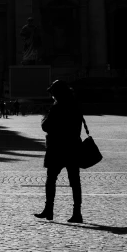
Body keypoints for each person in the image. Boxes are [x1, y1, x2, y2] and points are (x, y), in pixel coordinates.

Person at [34, 79, 83, 223]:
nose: (52, 96)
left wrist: (44, 119)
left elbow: (46, 126)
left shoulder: (57, 107)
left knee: (51, 179)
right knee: (75, 182)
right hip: (73, 147)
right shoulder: (75, 106)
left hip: (57, 148)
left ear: (58, 94)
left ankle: (49, 209)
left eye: (54, 93)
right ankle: (77, 213)